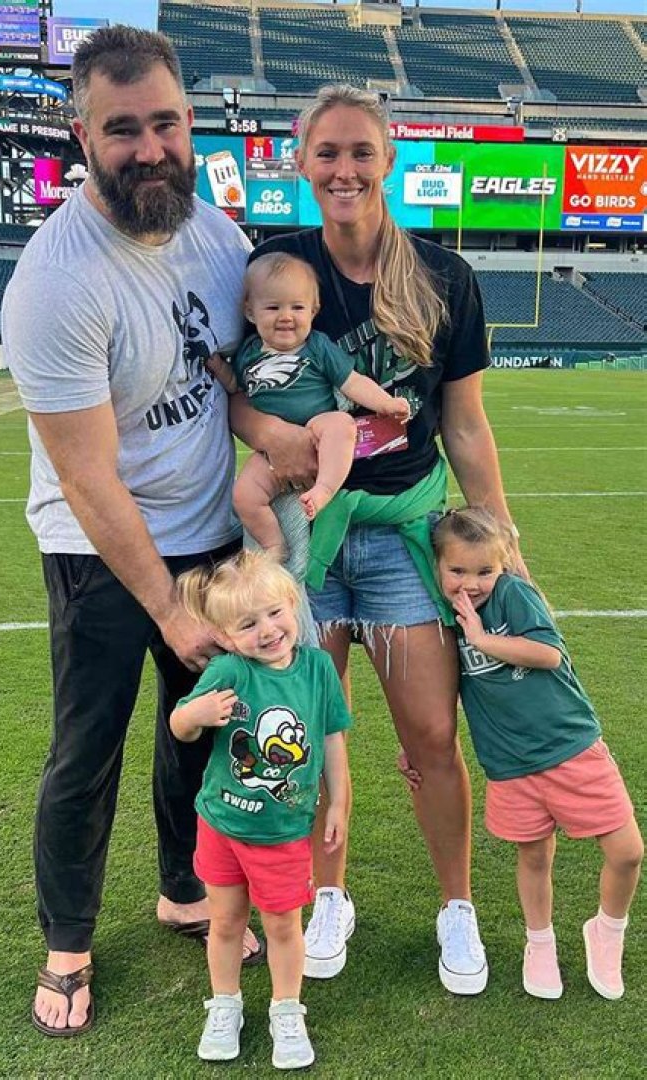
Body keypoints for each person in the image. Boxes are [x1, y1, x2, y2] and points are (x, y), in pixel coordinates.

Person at [2, 25, 286, 1037]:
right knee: (88, 748)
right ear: (83, 136)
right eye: (122, 129)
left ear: (189, 121)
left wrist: (285, 447)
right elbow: (86, 476)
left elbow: (238, 383)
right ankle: (68, 943)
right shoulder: (55, 280)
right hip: (100, 550)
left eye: (165, 123)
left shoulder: (218, 238)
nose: (149, 148)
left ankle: (182, 886)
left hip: (210, 538)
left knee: (205, 730)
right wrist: (166, 605)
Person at [229, 84, 526, 991]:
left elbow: (464, 423)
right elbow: (237, 392)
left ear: (388, 159)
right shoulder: (276, 265)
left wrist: (503, 537)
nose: (345, 169)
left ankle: (457, 908)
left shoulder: (444, 275)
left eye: (362, 151)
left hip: (404, 534)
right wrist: (271, 435)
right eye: (327, 152)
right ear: (301, 161)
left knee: (432, 734)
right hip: (305, 534)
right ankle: (330, 897)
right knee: (305, 727)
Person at [431, 508, 643, 1000]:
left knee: (628, 851)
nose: (472, 583)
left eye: (485, 570)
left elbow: (549, 654)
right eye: (457, 570)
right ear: (437, 565)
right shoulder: (444, 616)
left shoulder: (512, 594)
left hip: (571, 747)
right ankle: (539, 942)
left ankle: (606, 931)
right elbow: (446, 689)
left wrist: (482, 638)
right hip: (510, 766)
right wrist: (420, 745)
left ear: (502, 565)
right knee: (533, 855)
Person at [170, 550, 350, 1068]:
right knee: (226, 922)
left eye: (274, 613)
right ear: (226, 636)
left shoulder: (318, 669)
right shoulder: (229, 670)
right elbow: (180, 725)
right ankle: (225, 1004)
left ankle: (286, 1011)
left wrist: (339, 802)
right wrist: (197, 712)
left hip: (284, 832)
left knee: (284, 927)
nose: (268, 630)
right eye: (248, 624)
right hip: (223, 825)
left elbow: (332, 740)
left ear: (293, 604)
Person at [208, 252, 409, 557]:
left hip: (317, 429)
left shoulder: (316, 346)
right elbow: (236, 386)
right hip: (272, 452)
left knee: (341, 424)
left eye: (297, 307)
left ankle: (323, 489)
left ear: (314, 311)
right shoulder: (248, 352)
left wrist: (386, 403)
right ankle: (274, 545)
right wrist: (219, 368)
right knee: (244, 496)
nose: (285, 316)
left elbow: (352, 382)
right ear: (250, 312)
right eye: (273, 307)